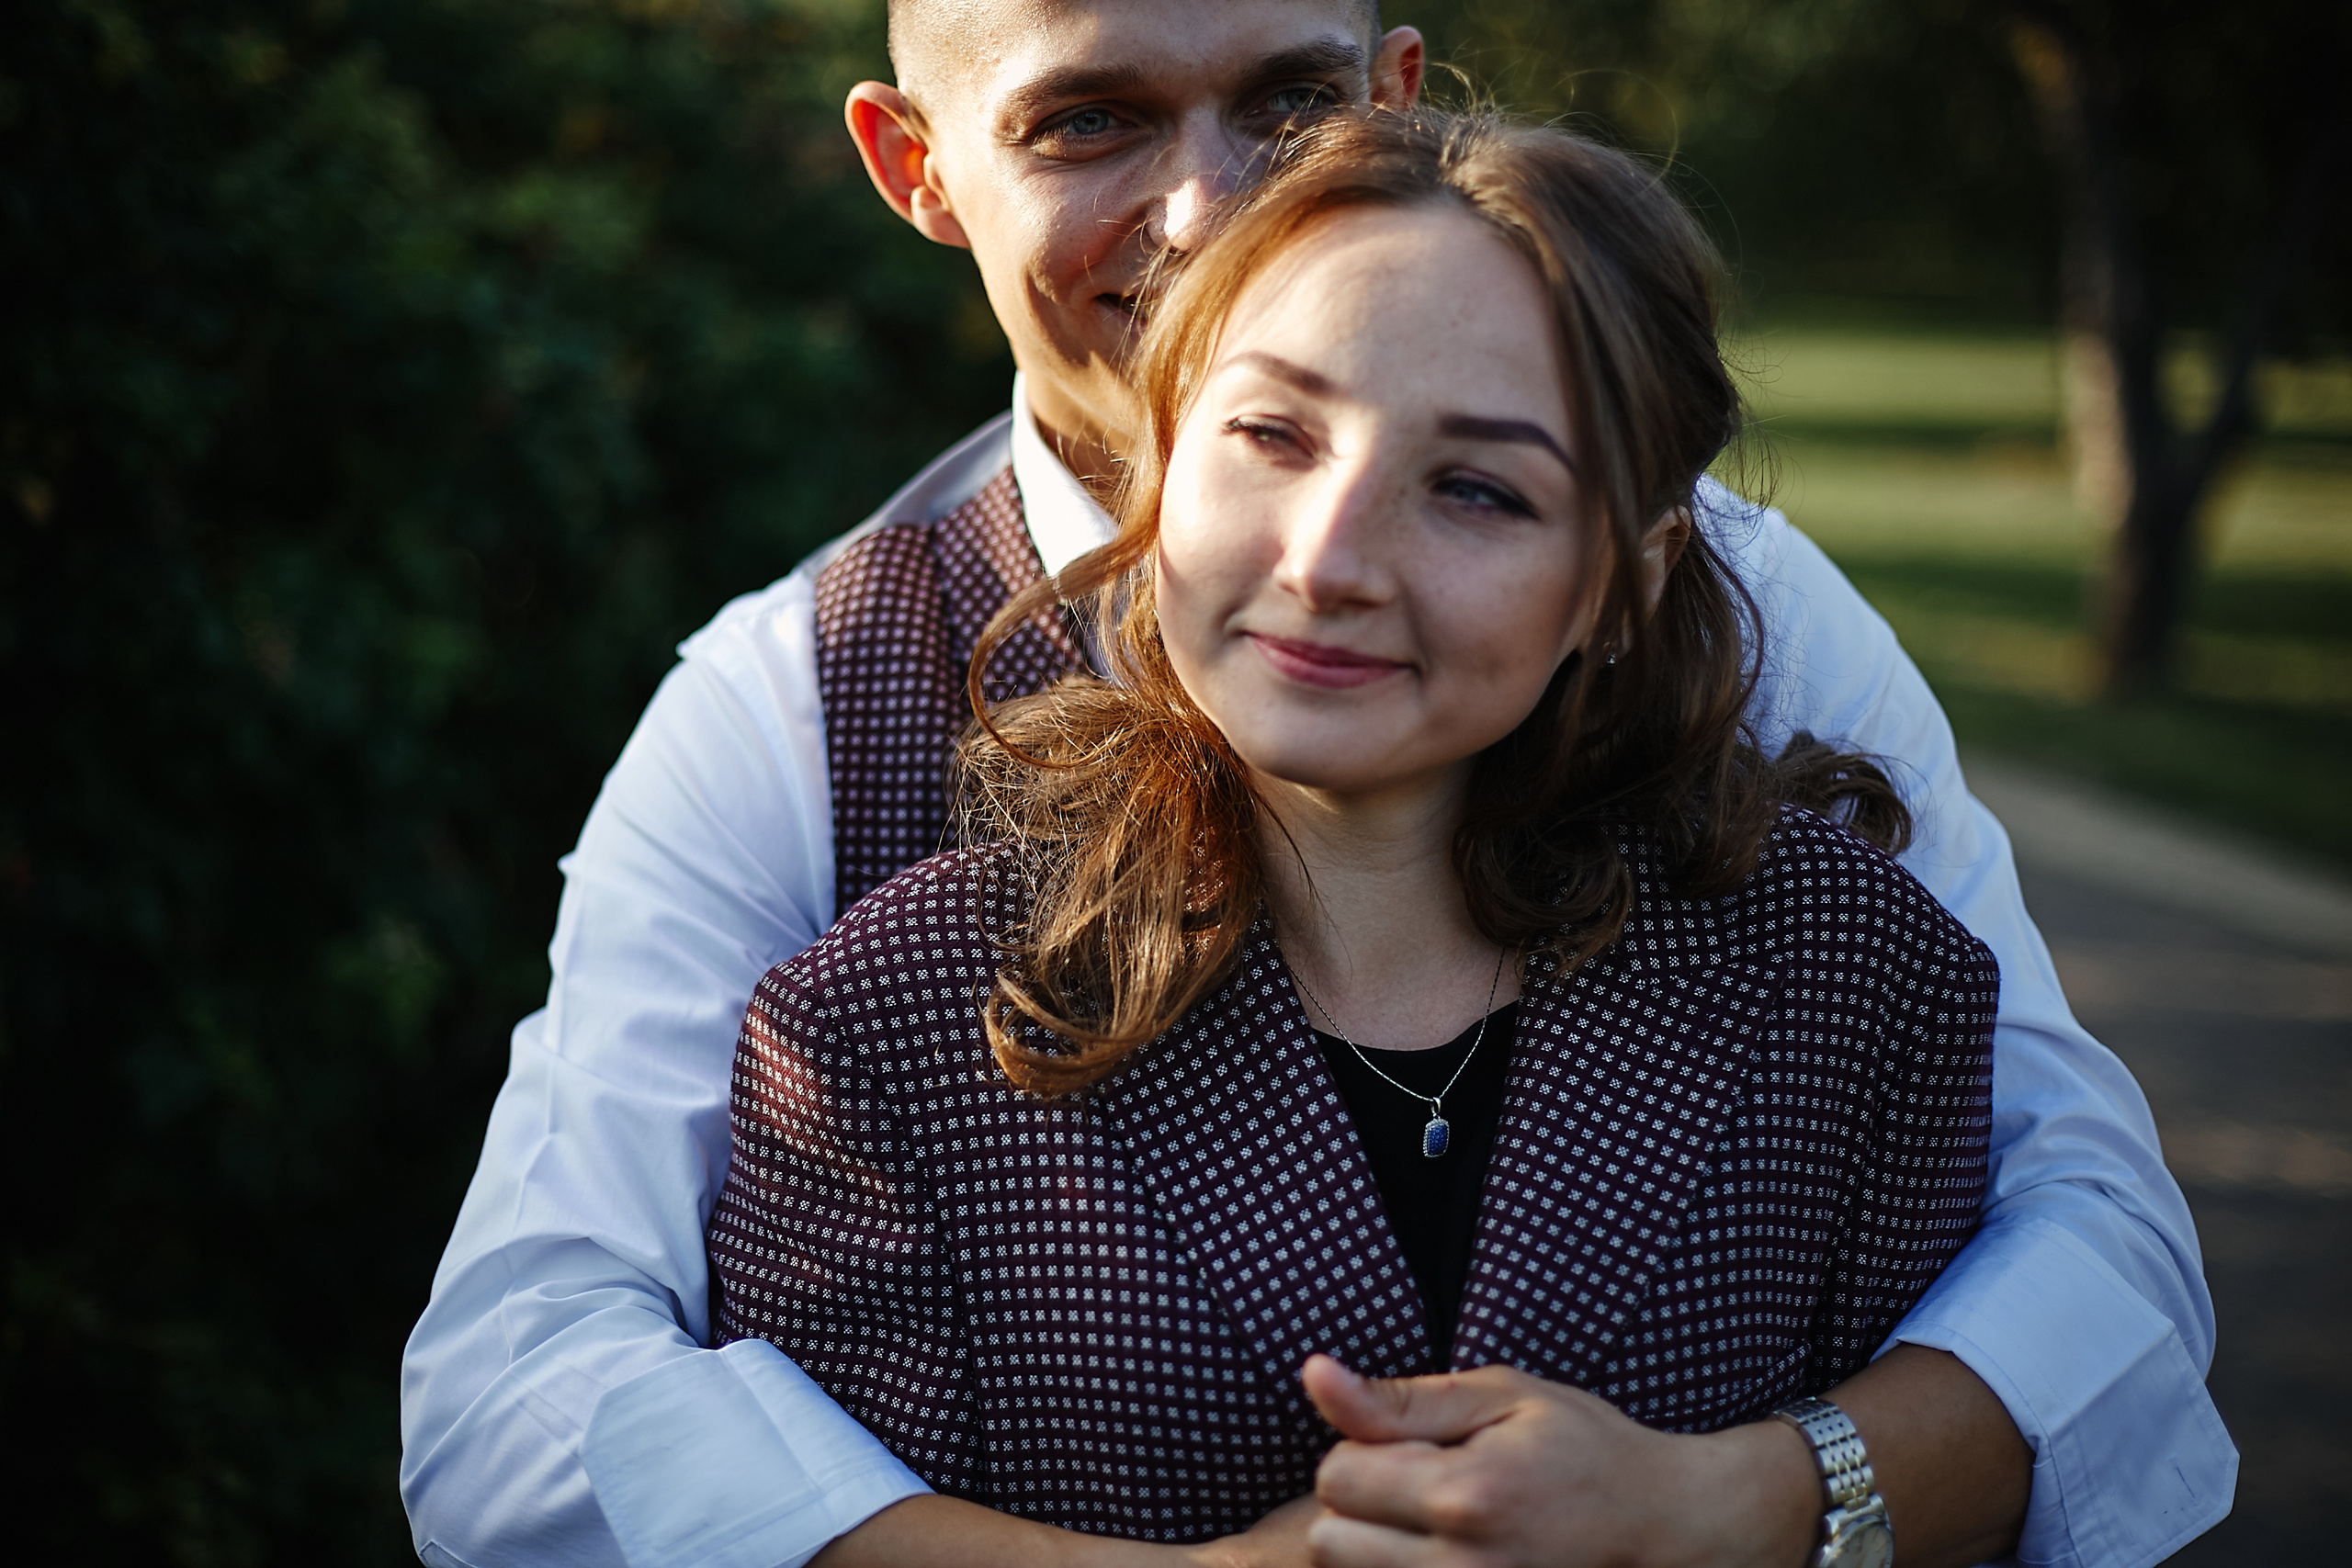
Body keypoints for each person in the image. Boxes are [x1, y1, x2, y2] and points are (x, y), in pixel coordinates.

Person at [398, 4, 2232, 1567]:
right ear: (918, 167)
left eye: (1289, 99)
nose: (1213, 209)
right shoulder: (785, 712)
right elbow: (512, 1408)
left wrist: (1735, 1502)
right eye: (1088, 119)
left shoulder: (1738, 615)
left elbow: (2089, 1236)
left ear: (1403, 89)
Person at [707, 104, 2005, 1565]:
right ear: (1165, 452)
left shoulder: (1860, 982)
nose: (1325, 563)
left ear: (1622, 586)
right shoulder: (880, 1028)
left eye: (1473, 489)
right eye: (1272, 432)